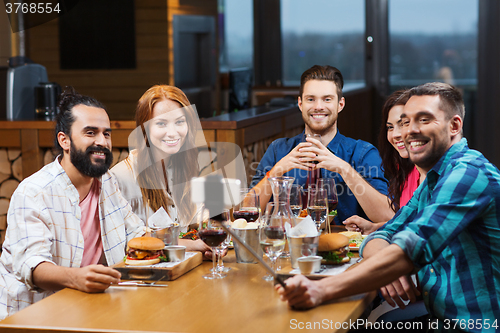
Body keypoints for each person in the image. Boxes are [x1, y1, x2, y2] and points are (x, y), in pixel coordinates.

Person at [276, 82, 500, 331]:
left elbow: (412, 246)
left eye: (424, 120)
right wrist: (391, 266)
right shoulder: (434, 180)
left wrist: (320, 289)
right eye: (406, 121)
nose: (410, 131)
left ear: (454, 125)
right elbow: (384, 233)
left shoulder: (469, 173)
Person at [0, 88, 145, 319]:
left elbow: (137, 233)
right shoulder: (34, 191)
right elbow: (31, 264)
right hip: (31, 317)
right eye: (90, 133)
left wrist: (187, 245)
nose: (102, 142)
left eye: (106, 134)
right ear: (64, 140)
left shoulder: (106, 181)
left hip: (88, 308)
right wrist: (77, 277)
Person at [250, 65, 391, 223]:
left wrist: (344, 169)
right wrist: (277, 170)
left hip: (344, 245)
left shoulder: (363, 153)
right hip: (287, 245)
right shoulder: (278, 150)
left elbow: (386, 217)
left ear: (340, 105)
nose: (318, 107)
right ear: (300, 104)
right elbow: (246, 212)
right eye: (311, 99)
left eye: (327, 99)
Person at [111, 85, 211, 257]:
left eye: (179, 122)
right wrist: (195, 245)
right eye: (161, 123)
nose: (172, 132)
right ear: (144, 129)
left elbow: (199, 217)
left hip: (181, 270)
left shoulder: (182, 166)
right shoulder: (120, 177)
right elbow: (134, 238)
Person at [343, 90, 424, 234]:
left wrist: (344, 169)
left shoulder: (434, 170)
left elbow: (424, 232)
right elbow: (407, 223)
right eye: (390, 127)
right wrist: (374, 227)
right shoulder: (404, 169)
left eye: (403, 124)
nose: (395, 135)